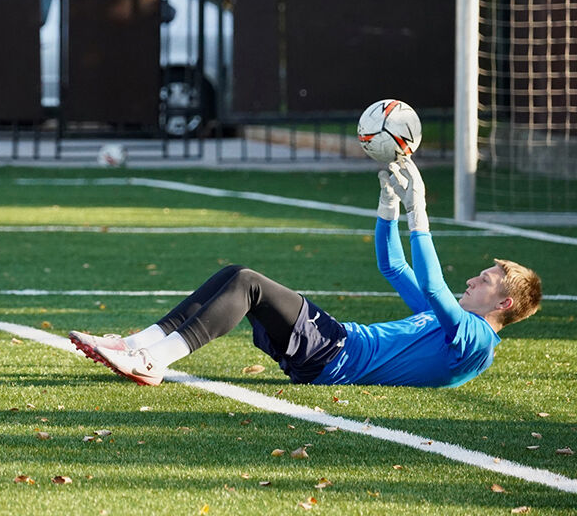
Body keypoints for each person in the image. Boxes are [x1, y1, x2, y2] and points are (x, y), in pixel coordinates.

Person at [70, 159, 542, 388]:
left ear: (502, 305)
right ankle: (135, 345)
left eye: (484, 281)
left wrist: (421, 211)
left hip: (336, 354)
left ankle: (155, 362)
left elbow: (436, 288)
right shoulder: (451, 323)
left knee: (248, 283)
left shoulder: (476, 341)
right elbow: (393, 265)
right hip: (331, 351)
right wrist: (389, 205)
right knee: (236, 273)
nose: (472, 281)